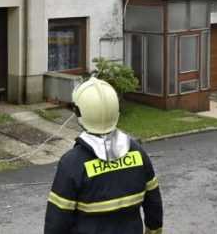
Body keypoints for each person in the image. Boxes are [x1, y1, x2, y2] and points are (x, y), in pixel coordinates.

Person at [45, 77, 163, 234]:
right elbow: (154, 205)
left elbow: (57, 222)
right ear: (116, 110)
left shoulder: (72, 164)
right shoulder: (138, 154)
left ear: (79, 113)